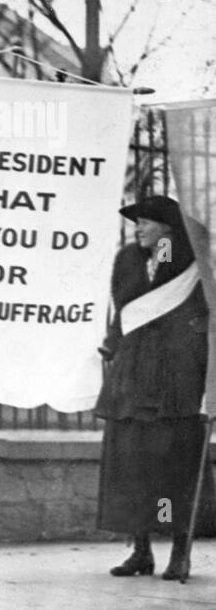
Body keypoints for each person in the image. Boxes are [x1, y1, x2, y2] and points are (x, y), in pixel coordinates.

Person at [96, 194, 215, 581]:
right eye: (137, 223)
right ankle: (141, 551)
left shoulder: (189, 260)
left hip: (176, 380)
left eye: (147, 221)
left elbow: (173, 270)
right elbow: (124, 309)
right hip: (132, 378)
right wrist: (112, 345)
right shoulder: (129, 259)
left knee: (173, 472)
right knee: (132, 469)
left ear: (168, 228)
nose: (139, 228)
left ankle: (179, 552)